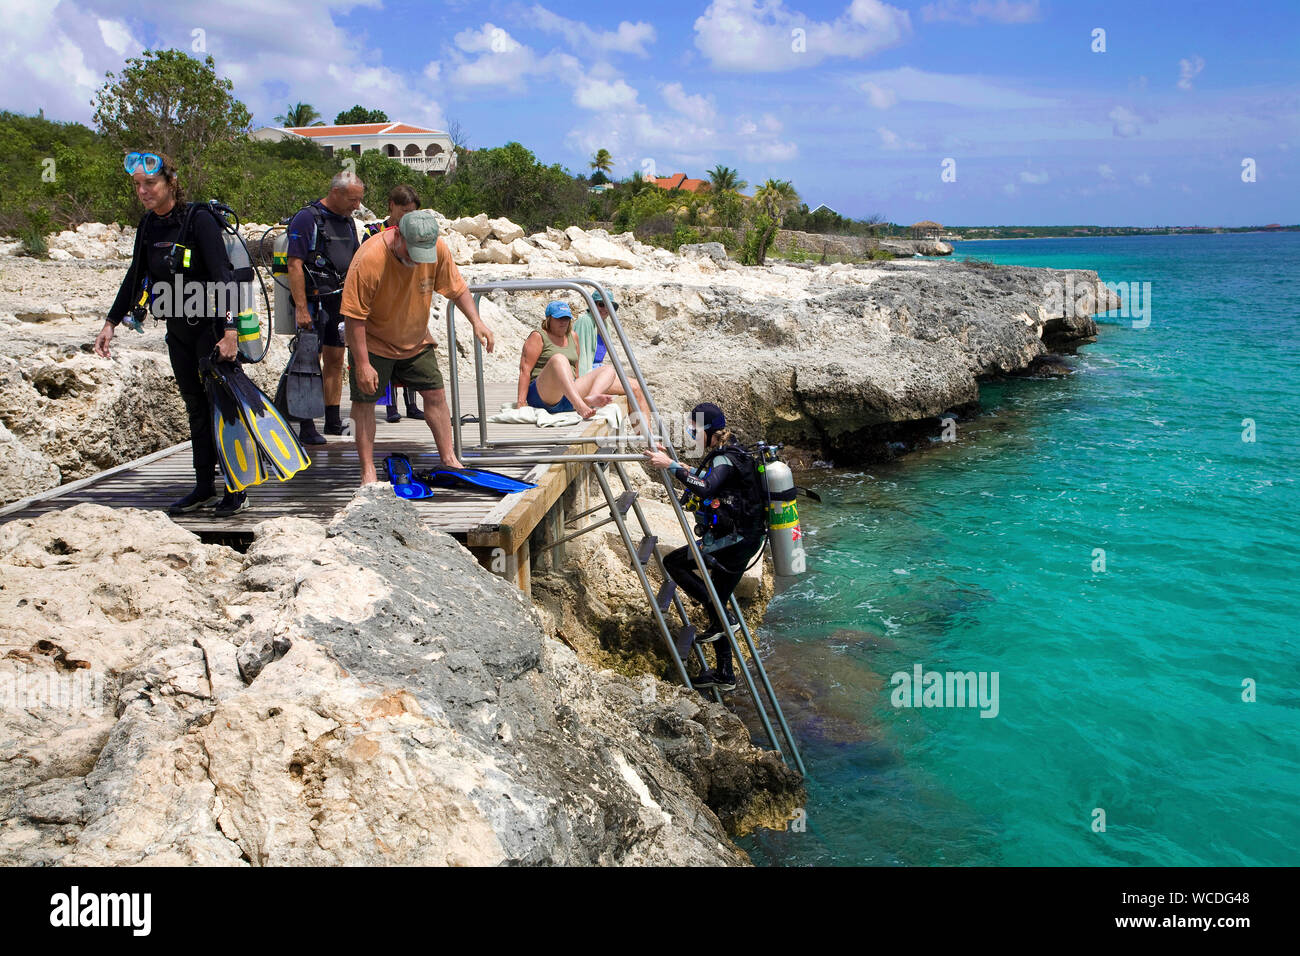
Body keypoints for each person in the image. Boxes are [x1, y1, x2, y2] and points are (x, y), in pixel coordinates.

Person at [94, 150, 247, 517]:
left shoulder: (199, 220)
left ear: (169, 183)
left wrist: (230, 331)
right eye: (138, 185)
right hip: (177, 332)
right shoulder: (149, 225)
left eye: (150, 183)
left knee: (221, 409)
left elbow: (224, 277)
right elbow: (135, 275)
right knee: (195, 408)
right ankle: (202, 487)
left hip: (210, 328)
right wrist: (111, 322)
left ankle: (237, 487)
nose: (143, 191)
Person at [340, 208, 495, 485]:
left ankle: (448, 459)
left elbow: (457, 288)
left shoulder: (436, 249)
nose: (416, 258)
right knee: (364, 402)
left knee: (435, 393)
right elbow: (354, 317)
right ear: (396, 233)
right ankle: (367, 471)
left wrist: (477, 321)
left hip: (415, 338)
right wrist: (362, 364)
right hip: (373, 341)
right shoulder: (369, 258)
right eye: (411, 251)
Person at [645, 403, 767, 692]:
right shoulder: (732, 452)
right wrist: (678, 465)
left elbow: (705, 487)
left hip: (734, 543)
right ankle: (724, 673)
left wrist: (671, 466)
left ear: (709, 431)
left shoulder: (724, 458)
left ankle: (725, 623)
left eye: (695, 429)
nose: (692, 433)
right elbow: (712, 481)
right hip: (743, 539)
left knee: (675, 563)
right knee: (717, 599)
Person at [285, 170, 364, 443]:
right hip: (313, 301)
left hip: (338, 301)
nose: (357, 206)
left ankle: (332, 420)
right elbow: (294, 264)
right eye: (353, 200)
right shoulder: (307, 218)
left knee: (335, 360)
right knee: (309, 361)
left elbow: (355, 262)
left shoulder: (347, 222)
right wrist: (300, 308)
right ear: (336, 193)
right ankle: (306, 425)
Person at [517, 301, 650, 422]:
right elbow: (525, 370)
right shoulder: (538, 336)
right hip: (543, 395)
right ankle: (580, 405)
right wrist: (521, 403)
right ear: (549, 319)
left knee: (608, 369)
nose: (563, 322)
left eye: (566, 318)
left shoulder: (573, 337)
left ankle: (591, 398)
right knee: (559, 358)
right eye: (559, 318)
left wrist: (582, 388)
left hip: (567, 395)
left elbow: (577, 370)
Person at [362, 185, 423, 424]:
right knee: (386, 354)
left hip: (409, 300)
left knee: (409, 351)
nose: (408, 216)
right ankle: (390, 406)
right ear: (392, 206)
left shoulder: (416, 231)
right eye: (405, 210)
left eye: (413, 211)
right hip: (383, 301)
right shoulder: (374, 232)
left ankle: (412, 404)